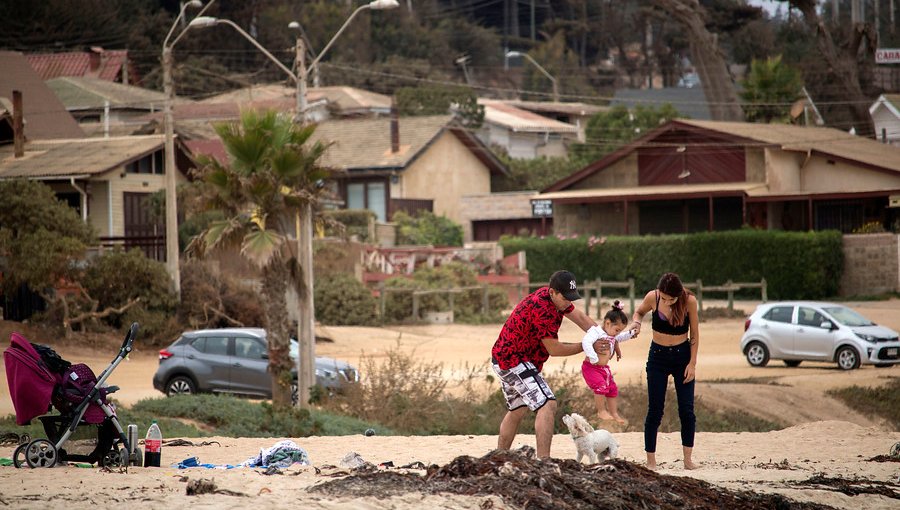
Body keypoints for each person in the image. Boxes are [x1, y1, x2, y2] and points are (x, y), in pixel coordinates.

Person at [491, 270, 598, 459]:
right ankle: (544, 461)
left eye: (571, 297)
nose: (568, 302)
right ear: (552, 292)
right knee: (547, 404)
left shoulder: (555, 299)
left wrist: (603, 338)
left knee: (518, 408)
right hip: (513, 360)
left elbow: (581, 318)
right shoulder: (542, 309)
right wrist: (586, 345)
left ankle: (499, 458)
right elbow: (554, 349)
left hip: (504, 358)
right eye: (565, 297)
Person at [631, 272, 700, 470]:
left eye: (672, 299)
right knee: (655, 409)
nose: (668, 302)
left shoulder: (690, 301)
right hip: (658, 357)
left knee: (686, 410)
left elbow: (694, 333)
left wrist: (692, 363)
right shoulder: (653, 296)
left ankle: (688, 460)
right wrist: (636, 322)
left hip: (682, 356)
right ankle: (651, 461)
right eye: (665, 298)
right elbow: (639, 312)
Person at [580, 300, 637, 424]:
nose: (618, 333)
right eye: (617, 330)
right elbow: (586, 342)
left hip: (604, 368)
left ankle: (614, 412)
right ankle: (601, 411)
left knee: (612, 389)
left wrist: (631, 333)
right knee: (600, 386)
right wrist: (593, 357)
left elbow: (619, 338)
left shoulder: (612, 334)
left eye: (620, 331)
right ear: (607, 323)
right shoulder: (596, 332)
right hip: (591, 367)